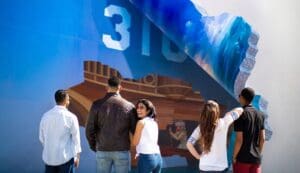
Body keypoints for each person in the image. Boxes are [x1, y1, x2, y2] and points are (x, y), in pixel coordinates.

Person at [85, 76, 137, 173]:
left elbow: (89, 129)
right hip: (122, 150)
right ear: (120, 88)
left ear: (106, 87)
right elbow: (135, 131)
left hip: (102, 149)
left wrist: (95, 146)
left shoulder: (97, 105)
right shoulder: (129, 106)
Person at [186, 100, 243, 173]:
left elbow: (189, 143)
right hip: (219, 168)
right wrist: (228, 114)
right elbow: (240, 110)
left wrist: (198, 157)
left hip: (204, 167)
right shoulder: (224, 122)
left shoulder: (200, 128)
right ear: (217, 112)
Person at [39, 89, 81, 173]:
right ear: (65, 100)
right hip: (66, 160)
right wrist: (77, 156)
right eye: (68, 99)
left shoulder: (45, 116)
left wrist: (50, 149)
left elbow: (41, 138)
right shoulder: (71, 117)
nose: (69, 101)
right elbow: (76, 139)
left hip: (49, 160)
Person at [233, 88, 265, 173]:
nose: (239, 97)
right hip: (256, 160)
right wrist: (257, 154)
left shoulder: (240, 114)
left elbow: (239, 140)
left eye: (239, 96)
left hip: (242, 159)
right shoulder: (260, 115)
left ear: (242, 98)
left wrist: (234, 157)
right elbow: (262, 139)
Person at [132, 99, 162, 173]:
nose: (138, 110)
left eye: (141, 107)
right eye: (137, 107)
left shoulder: (141, 122)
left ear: (148, 111)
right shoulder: (154, 122)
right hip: (158, 157)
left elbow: (135, 143)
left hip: (146, 158)